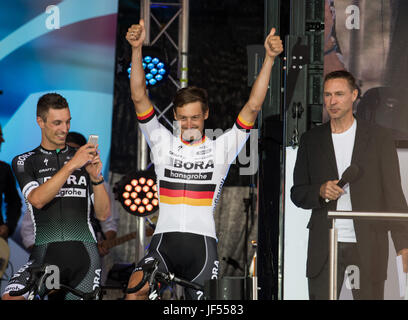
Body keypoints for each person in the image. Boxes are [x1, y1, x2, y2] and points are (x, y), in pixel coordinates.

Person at [124, 19, 283, 300]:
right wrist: (137, 49)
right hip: (163, 244)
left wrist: (269, 59)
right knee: (134, 292)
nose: (189, 124)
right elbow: (138, 96)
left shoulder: (223, 147)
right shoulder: (161, 141)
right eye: (183, 118)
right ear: (175, 116)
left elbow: (253, 106)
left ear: (206, 115)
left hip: (203, 247)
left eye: (195, 117)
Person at [290, 70, 408, 300]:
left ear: (354, 95)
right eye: (327, 95)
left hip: (368, 242)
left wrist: (403, 245)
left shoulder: (379, 138)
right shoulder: (311, 139)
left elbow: (393, 194)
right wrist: (320, 190)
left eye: (339, 94)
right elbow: (297, 192)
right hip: (324, 244)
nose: (332, 101)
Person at [2, 93, 111, 300]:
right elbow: (37, 199)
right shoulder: (25, 161)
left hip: (85, 258)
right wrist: (71, 166)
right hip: (45, 256)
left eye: (68, 122)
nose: (65, 129)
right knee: (11, 297)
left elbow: (104, 214)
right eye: (57, 123)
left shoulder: (82, 159)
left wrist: (96, 178)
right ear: (40, 122)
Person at [19, 131, 120, 286]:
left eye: (74, 154)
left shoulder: (98, 181)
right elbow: (28, 228)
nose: (70, 159)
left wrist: (106, 243)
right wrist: (44, 250)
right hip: (48, 257)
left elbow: (108, 220)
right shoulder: (46, 182)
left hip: (87, 254)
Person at [0, 125, 22, 241]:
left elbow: (14, 202)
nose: (2, 140)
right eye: (0, 135)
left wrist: (8, 226)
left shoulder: (3, 168)